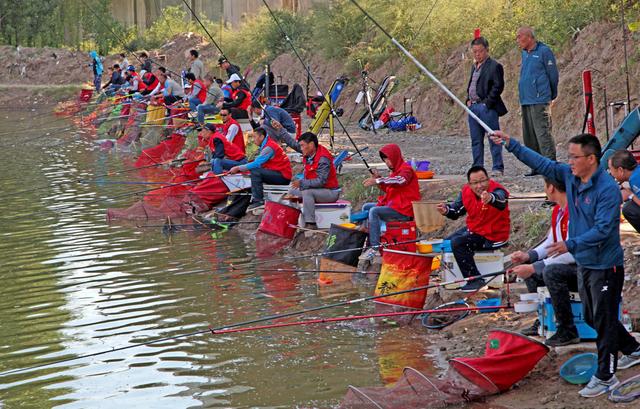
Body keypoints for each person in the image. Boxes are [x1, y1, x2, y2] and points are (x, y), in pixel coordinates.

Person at [491, 131, 640, 398]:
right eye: (569, 156)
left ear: (591, 159)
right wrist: (511, 144)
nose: (569, 161)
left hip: (606, 265)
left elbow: (605, 229)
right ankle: (632, 348)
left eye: (574, 157)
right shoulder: (571, 178)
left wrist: (570, 244)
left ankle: (605, 376)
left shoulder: (606, 189)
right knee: (593, 317)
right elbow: (542, 164)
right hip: (585, 263)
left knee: (604, 321)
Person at [509, 177, 579, 346]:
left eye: (545, 187)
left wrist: (535, 266)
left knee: (550, 272)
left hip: (582, 269)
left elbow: (573, 253)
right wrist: (528, 257)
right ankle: (542, 318)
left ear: (551, 188)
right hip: (566, 265)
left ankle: (567, 329)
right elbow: (550, 243)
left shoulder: (575, 212)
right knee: (532, 273)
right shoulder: (559, 211)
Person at [437, 165, 510, 292]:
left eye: (483, 181)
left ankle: (475, 279)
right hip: (476, 231)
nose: (480, 186)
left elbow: (501, 200)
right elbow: (456, 211)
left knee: (458, 243)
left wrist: (490, 198)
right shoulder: (466, 191)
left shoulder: (498, 190)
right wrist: (446, 210)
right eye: (475, 183)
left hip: (493, 236)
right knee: (447, 242)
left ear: (488, 180)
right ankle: (450, 274)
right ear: (469, 184)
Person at [360, 144, 421, 260]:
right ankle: (366, 231)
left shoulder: (406, 170)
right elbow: (388, 190)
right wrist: (379, 181)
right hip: (395, 205)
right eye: (385, 160)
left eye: (388, 159)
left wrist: (378, 180)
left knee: (374, 211)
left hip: (404, 209)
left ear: (395, 156)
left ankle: (375, 247)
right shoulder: (394, 173)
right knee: (367, 206)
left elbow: (400, 181)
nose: (387, 162)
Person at [516, 26, 559, 174]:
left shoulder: (544, 51)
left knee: (543, 133)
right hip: (526, 99)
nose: (517, 40)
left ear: (529, 37)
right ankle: (535, 165)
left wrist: (551, 95)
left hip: (540, 99)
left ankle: (550, 165)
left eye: (519, 36)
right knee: (529, 135)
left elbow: (553, 75)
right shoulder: (524, 53)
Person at [465, 36, 507, 177]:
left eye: (480, 51)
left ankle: (497, 167)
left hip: (487, 108)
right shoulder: (474, 66)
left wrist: (487, 103)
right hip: (473, 107)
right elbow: (472, 85)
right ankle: (477, 167)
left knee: (493, 138)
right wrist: (468, 100)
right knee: (476, 140)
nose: (477, 54)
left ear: (487, 50)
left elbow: (498, 86)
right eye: (475, 52)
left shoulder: (494, 66)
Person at [227, 127, 292, 211]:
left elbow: (257, 164)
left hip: (283, 176)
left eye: (254, 137)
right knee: (254, 171)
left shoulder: (269, 147)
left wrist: (238, 168)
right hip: (278, 173)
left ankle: (258, 200)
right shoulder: (267, 144)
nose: (253, 140)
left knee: (255, 171)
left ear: (261, 137)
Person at [288, 132, 341, 229]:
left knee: (307, 192)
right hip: (317, 189)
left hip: (330, 192)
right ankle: (295, 217)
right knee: (291, 190)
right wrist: (280, 130)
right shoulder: (309, 153)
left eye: (302, 146)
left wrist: (301, 183)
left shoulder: (323, 159)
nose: (301, 148)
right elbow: (292, 143)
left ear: (311, 145)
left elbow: (321, 181)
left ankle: (310, 223)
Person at [608, 150, 640, 234]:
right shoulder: (637, 172)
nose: (610, 173)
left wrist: (630, 195)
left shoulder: (635, 179)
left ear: (620, 170)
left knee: (628, 209)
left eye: (610, 169)